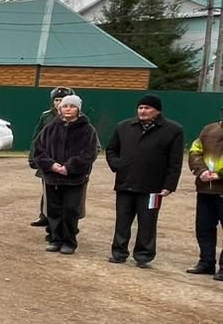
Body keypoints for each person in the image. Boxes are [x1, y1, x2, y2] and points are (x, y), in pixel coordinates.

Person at [104, 94, 185, 268]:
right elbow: (111, 149)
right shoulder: (124, 127)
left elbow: (175, 161)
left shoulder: (173, 130)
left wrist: (169, 185)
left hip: (153, 187)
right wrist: (118, 165)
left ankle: (143, 255)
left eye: (147, 108)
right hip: (125, 183)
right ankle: (119, 253)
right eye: (140, 107)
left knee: (147, 222)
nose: (143, 111)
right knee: (122, 220)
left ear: (157, 111)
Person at [32, 94, 99, 255]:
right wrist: (51, 165)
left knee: (70, 211)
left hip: (75, 179)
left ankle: (69, 242)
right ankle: (55, 240)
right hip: (52, 177)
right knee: (53, 210)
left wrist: (69, 167)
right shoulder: (50, 128)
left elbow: (89, 153)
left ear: (78, 109)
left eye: (72, 106)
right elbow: (39, 150)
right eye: (65, 106)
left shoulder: (88, 130)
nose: (68, 109)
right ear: (60, 108)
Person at [185, 108, 223, 280]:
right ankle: (206, 262)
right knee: (204, 227)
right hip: (205, 188)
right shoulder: (208, 130)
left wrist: (220, 175)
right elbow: (195, 151)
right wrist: (201, 171)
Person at [29, 87, 73, 230]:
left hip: (66, 162)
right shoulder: (46, 116)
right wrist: (33, 157)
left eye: (62, 100)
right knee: (47, 189)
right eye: (56, 100)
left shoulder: (75, 117)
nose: (59, 103)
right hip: (47, 160)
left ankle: (62, 221)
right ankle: (45, 216)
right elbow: (36, 138)